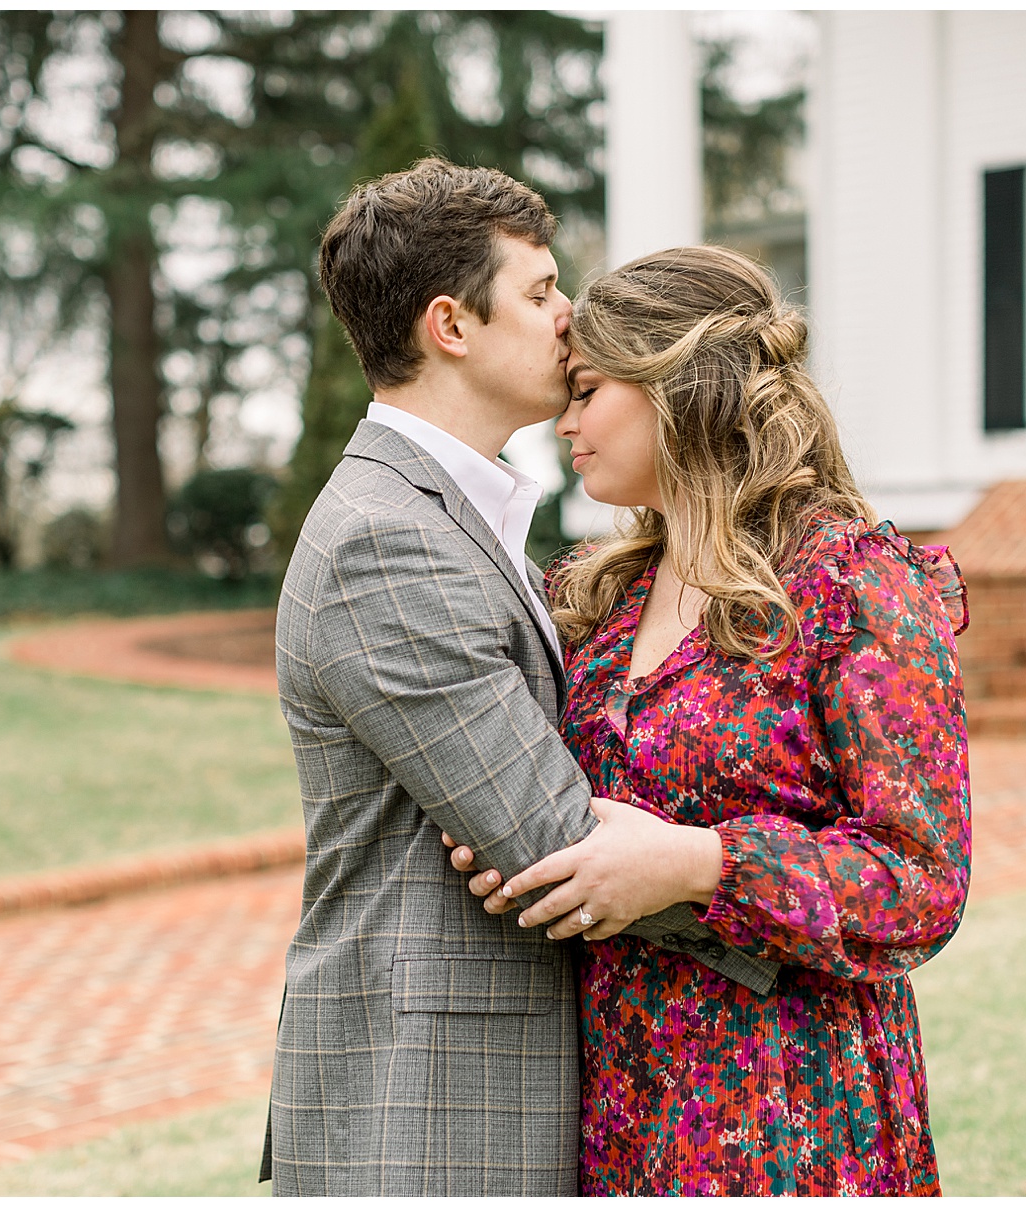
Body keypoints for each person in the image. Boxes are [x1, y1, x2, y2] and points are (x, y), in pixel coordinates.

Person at [262, 161, 776, 1196]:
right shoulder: (386, 542)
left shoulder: (460, 519)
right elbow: (550, 843)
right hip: (434, 1107)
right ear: (451, 325)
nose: (569, 318)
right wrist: (781, 892)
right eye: (540, 293)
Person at [445, 245, 972, 1195]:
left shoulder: (851, 585)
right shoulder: (598, 598)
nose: (564, 421)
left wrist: (700, 863)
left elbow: (924, 882)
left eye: (589, 389)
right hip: (615, 1097)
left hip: (790, 1105)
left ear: (676, 386)